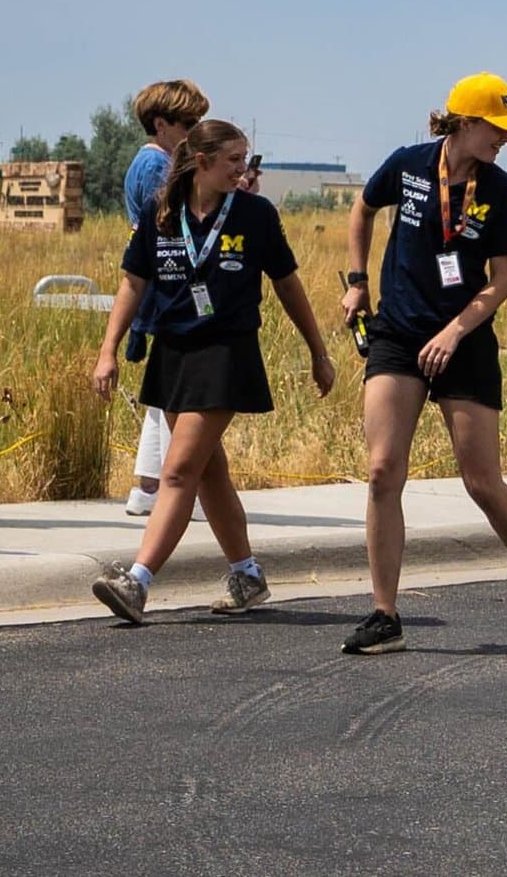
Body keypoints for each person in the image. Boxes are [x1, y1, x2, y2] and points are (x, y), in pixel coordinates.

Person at [339, 74, 507, 655]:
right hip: (398, 334)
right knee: (383, 471)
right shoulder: (409, 165)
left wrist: (456, 331)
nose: (505, 141)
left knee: (481, 481)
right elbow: (362, 208)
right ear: (463, 123)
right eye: (497, 129)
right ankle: (384, 614)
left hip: (465, 339)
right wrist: (357, 282)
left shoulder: (501, 188)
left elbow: (503, 281)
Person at [88, 121, 334, 622]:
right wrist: (108, 350)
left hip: (226, 353)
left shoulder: (255, 215)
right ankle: (247, 575)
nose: (243, 170)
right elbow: (133, 284)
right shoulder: (163, 215)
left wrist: (318, 351)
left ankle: (137, 582)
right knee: (208, 473)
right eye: (233, 161)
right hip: (173, 352)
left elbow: (288, 285)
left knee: (177, 472)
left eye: (246, 160)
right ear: (201, 162)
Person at [121, 79, 212, 517]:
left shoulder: (141, 164)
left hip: (158, 286)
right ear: (161, 124)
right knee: (180, 393)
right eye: (188, 123)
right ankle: (172, 484)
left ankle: (149, 485)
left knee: (162, 396)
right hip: (170, 287)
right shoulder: (161, 169)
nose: (195, 130)